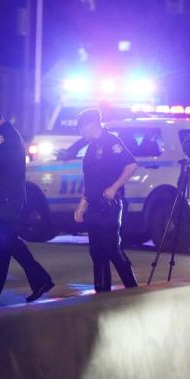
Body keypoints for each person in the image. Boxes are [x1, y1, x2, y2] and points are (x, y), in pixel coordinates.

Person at [0, 104, 54, 303]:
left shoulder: (3, 136)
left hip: (6, 200)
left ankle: (41, 279)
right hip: (2, 199)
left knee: (8, 241)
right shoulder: (3, 135)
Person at [73, 108, 139, 293]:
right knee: (96, 252)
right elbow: (91, 180)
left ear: (91, 124)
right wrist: (83, 204)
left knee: (112, 248)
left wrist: (114, 187)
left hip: (110, 205)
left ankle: (132, 290)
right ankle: (102, 293)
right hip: (94, 205)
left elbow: (131, 165)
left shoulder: (112, 142)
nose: (80, 132)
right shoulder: (91, 148)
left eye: (81, 128)